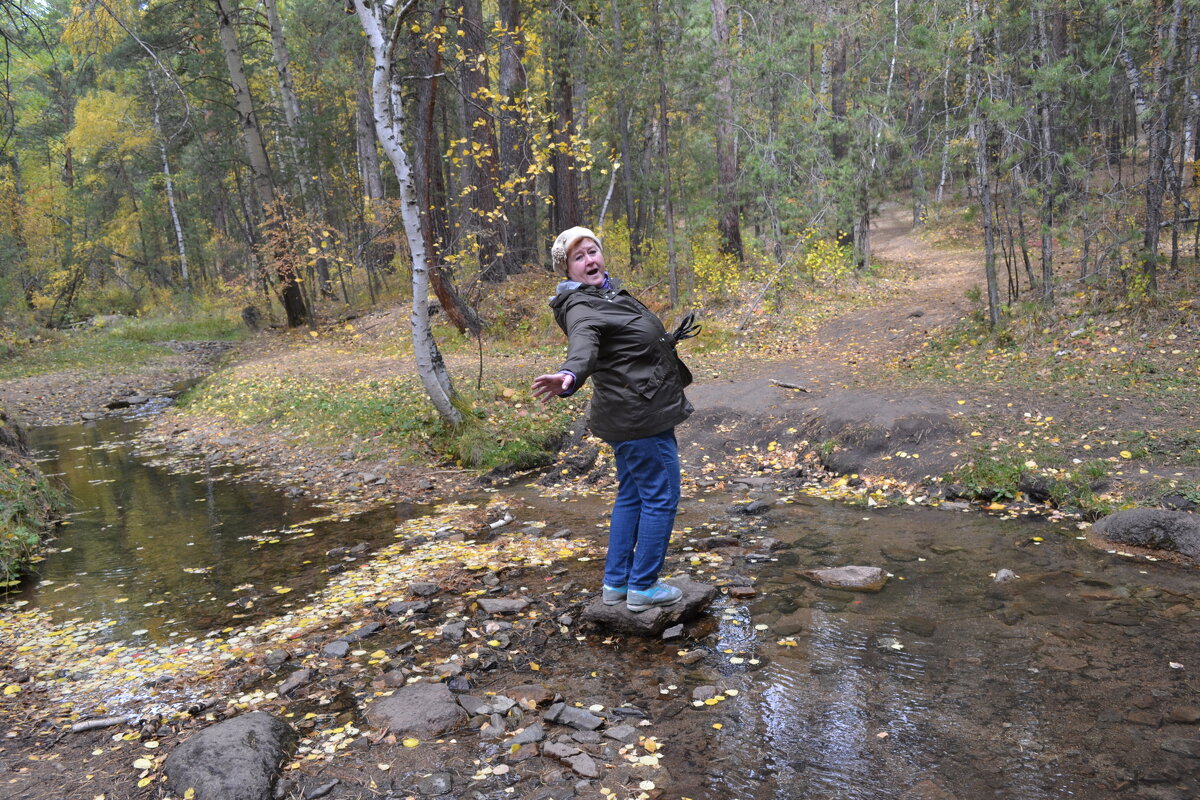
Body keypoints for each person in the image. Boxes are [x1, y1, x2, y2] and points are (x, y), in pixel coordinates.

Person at [532, 226, 694, 613]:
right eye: (578, 257)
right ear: (567, 270)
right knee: (661, 496)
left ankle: (616, 584)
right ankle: (643, 587)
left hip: (631, 408)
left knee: (633, 495)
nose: (589, 260)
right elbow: (583, 344)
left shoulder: (605, 293)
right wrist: (569, 375)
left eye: (592, 251)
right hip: (641, 417)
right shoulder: (582, 307)